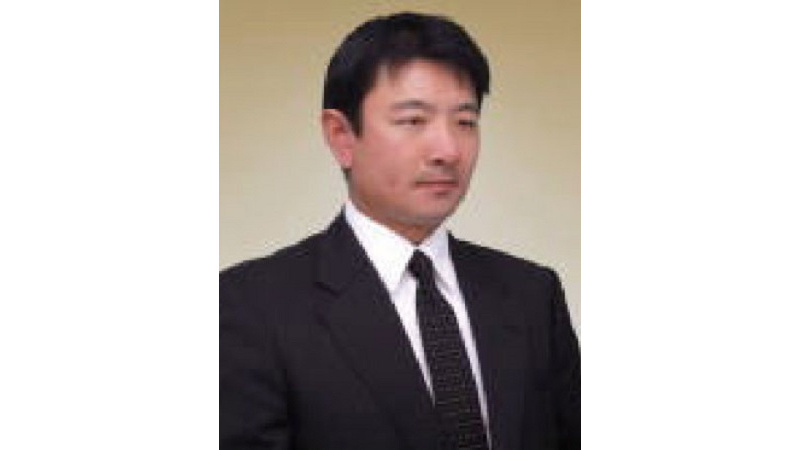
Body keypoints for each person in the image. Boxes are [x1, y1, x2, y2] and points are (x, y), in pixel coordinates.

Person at [220, 12, 580, 450]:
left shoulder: (532, 294)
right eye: (413, 121)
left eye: (465, 122)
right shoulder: (249, 307)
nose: (447, 150)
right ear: (341, 135)